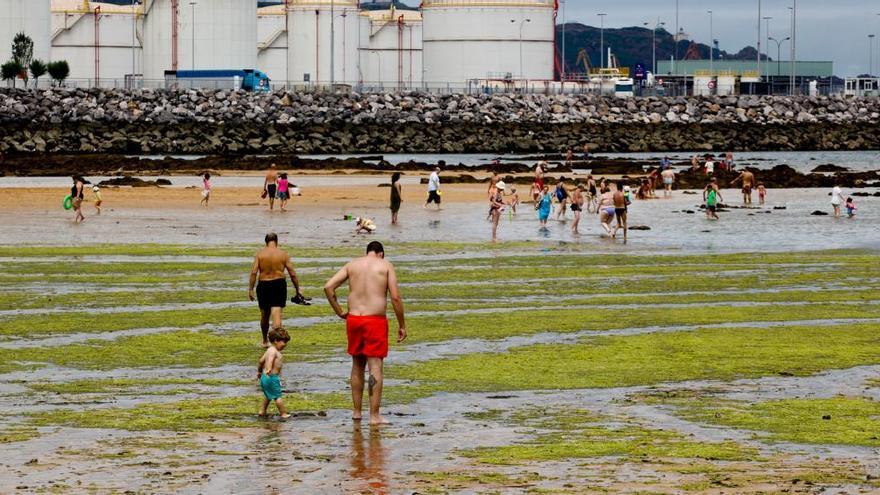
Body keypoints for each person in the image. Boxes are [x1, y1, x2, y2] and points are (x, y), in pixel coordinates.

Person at [324, 241, 407, 425]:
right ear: (381, 254)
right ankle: (374, 415)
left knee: (357, 366)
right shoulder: (385, 266)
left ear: (367, 252)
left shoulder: (352, 264)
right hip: (374, 321)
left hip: (354, 319)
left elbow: (328, 287)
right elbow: (395, 297)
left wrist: (339, 311)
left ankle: (356, 412)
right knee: (375, 367)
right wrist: (402, 324)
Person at [248, 233, 305, 347]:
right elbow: (292, 273)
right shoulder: (283, 254)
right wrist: (297, 289)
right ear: (277, 241)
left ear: (266, 242)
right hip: (279, 284)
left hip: (264, 284)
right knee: (276, 314)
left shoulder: (260, 254)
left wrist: (251, 289)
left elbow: (254, 272)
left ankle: (265, 341)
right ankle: (277, 343)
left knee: (265, 315)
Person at [257, 327, 291, 420]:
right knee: (277, 396)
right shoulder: (273, 351)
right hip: (271, 377)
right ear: (276, 340)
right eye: (283, 342)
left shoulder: (269, 350)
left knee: (268, 395)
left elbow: (260, 361)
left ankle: (262, 411)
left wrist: (260, 371)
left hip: (265, 377)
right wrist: (268, 368)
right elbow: (270, 360)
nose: (285, 345)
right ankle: (283, 413)